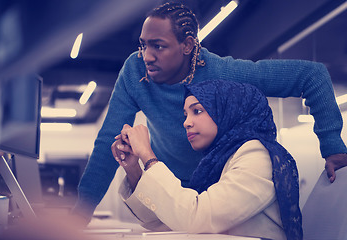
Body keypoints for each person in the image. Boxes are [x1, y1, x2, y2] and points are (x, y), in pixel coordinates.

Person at [72, 2, 347, 224]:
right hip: (171, 184)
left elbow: (311, 75)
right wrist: (80, 215)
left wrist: (332, 145)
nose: (146, 56)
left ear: (188, 46)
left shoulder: (223, 73)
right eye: (143, 45)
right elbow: (107, 141)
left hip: (221, 187)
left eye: (158, 45)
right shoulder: (135, 71)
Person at [114, 79, 302, 240]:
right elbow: (168, 219)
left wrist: (148, 155)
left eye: (197, 111)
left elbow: (195, 218)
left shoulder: (257, 154)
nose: (186, 122)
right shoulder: (217, 160)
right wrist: (133, 169)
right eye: (186, 114)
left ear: (227, 111)